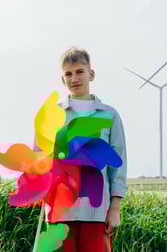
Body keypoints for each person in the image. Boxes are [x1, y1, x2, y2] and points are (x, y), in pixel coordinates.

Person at [53, 46, 128, 252]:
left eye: (79, 72)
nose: (74, 78)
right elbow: (42, 161)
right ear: (62, 79)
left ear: (91, 74)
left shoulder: (110, 115)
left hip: (96, 211)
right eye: (68, 74)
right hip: (61, 212)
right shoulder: (54, 115)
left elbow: (118, 164)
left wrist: (115, 208)